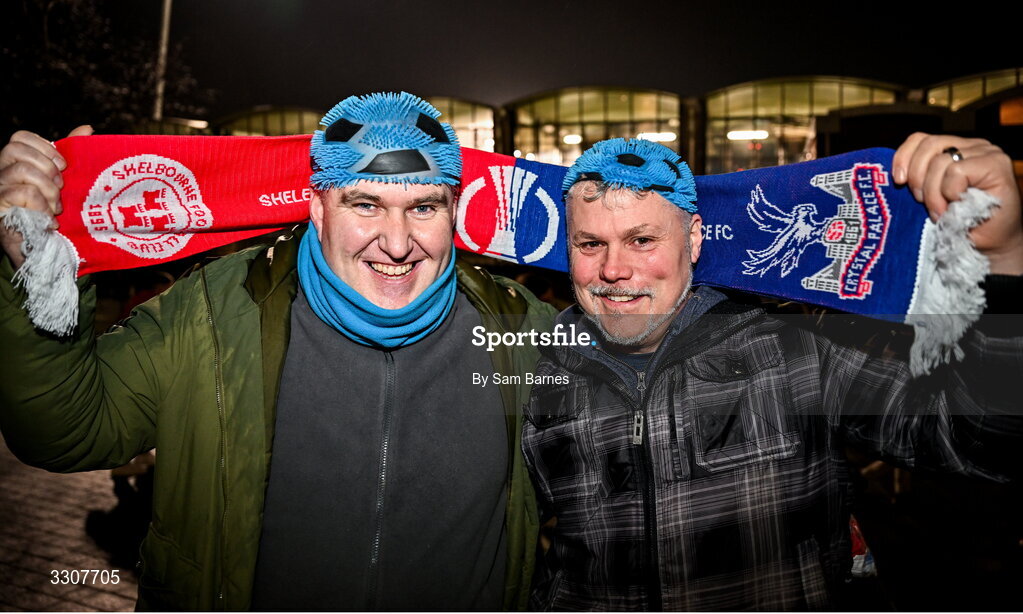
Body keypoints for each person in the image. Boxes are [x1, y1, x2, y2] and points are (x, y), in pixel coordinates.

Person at [0, 92, 555, 610]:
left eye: (424, 208)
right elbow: (66, 430)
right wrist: (35, 269)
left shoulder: (521, 332)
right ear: (318, 207)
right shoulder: (217, 313)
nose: (396, 241)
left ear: (454, 210)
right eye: (365, 204)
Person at [521, 135, 1023, 610]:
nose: (613, 269)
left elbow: (979, 436)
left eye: (642, 239)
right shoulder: (544, 370)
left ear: (693, 240)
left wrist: (1004, 258)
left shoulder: (796, 347)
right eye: (591, 244)